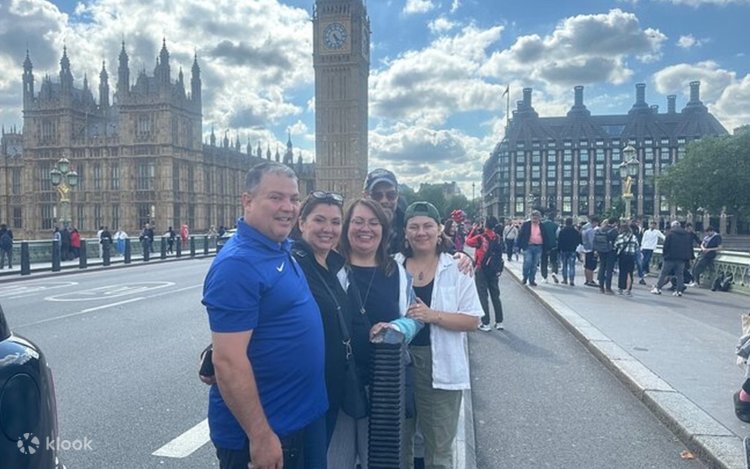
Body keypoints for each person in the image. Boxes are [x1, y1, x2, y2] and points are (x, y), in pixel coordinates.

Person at [202, 162, 327, 469]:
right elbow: (228, 361)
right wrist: (260, 436)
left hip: (302, 418)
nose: (288, 207)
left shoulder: (279, 247)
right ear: (247, 201)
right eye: (275, 197)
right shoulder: (238, 264)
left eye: (294, 199)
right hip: (269, 432)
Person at [331, 197, 422, 469]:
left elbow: (416, 317)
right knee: (335, 462)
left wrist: (396, 328)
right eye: (358, 221)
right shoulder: (330, 268)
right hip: (338, 383)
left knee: (380, 461)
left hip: (383, 384)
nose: (365, 229)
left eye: (373, 223)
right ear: (346, 227)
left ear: (383, 230)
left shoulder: (397, 273)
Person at [395, 201, 483, 468]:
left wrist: (432, 315)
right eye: (414, 227)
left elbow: (473, 320)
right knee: (397, 446)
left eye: (427, 226)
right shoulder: (392, 266)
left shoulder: (457, 268)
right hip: (397, 364)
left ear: (439, 229)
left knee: (439, 451)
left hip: (440, 363)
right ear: (405, 232)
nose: (421, 232)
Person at [465, 217, 504, 331]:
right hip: (494, 269)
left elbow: (468, 241)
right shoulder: (498, 238)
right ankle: (499, 321)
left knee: (483, 295)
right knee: (495, 295)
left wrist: (473, 230)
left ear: (485, 225)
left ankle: (485, 323)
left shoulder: (481, 237)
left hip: (482, 268)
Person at [651, 221, 693, 297]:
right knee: (680, 275)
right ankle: (679, 291)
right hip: (681, 259)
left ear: (672, 226)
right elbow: (689, 247)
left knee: (663, 273)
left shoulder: (670, 234)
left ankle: (658, 288)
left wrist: (665, 256)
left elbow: (666, 246)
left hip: (670, 258)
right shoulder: (686, 235)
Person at [516, 210, 547, 286]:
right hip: (528, 247)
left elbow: (545, 237)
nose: (534, 218)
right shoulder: (526, 225)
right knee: (527, 262)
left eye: (536, 217)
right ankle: (525, 277)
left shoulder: (542, 226)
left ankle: (532, 280)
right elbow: (521, 235)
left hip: (538, 247)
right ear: (531, 217)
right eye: (533, 216)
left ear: (539, 218)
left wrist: (546, 248)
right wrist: (518, 246)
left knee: (534, 265)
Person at [594, 217, 619, 294]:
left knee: (602, 267)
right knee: (609, 270)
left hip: (601, 250)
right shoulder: (614, 231)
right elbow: (617, 242)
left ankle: (601, 287)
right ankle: (608, 288)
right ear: (614, 223)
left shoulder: (600, 229)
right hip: (610, 251)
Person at [614, 223, 639, 295]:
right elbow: (637, 246)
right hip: (631, 256)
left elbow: (615, 246)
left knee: (622, 272)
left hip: (623, 256)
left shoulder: (620, 237)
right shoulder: (633, 237)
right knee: (629, 273)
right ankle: (628, 290)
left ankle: (621, 289)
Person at [557, 217, 581, 286]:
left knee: (564, 266)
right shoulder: (575, 232)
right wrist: (575, 246)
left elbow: (559, 241)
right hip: (572, 250)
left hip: (564, 250)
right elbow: (578, 240)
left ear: (565, 223)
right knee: (572, 266)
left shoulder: (562, 231)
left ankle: (565, 280)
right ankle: (571, 280)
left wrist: (559, 249)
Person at [540, 212, 560, 284]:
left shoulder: (541, 225)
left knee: (544, 261)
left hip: (544, 245)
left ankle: (545, 277)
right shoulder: (556, 226)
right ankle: (554, 272)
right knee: (554, 260)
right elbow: (558, 235)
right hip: (553, 246)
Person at [580, 216, 600, 287]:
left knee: (587, 265)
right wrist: (595, 250)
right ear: (595, 222)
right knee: (591, 266)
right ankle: (590, 280)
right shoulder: (591, 231)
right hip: (591, 250)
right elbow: (592, 241)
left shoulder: (584, 229)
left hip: (586, 249)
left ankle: (587, 280)